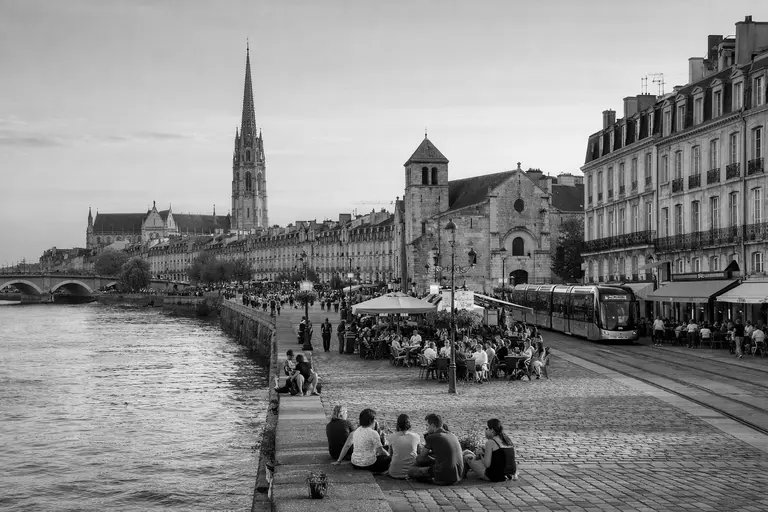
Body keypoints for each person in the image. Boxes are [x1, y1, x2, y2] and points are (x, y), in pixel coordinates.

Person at [406, 413, 463, 485]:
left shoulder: (432, 437)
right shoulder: (452, 435)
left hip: (443, 477)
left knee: (411, 471)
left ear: (432, 426)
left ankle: (431, 478)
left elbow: (420, 458)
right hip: (458, 475)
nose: (426, 428)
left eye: (427, 425)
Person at [333, 408, 391, 473]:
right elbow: (380, 451)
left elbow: (346, 446)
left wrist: (339, 461)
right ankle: (379, 471)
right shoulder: (373, 433)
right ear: (371, 421)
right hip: (369, 465)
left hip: (355, 464)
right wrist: (389, 455)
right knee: (388, 457)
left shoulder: (354, 432)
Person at [386, 414, 421, 479]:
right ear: (409, 424)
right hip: (411, 472)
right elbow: (419, 453)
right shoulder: (416, 436)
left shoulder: (391, 437)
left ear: (397, 425)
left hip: (394, 472)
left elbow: (391, 455)